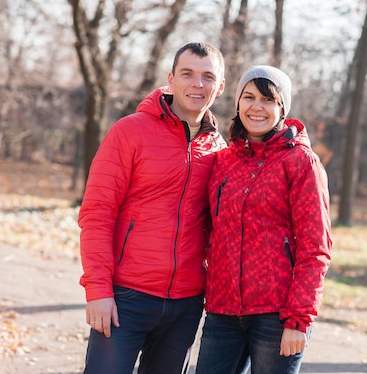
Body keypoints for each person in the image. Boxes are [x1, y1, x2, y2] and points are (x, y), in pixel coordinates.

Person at [78, 42, 227, 374]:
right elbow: (97, 214)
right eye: (187, 74)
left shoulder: (219, 150)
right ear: (171, 79)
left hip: (186, 305)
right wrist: (98, 290)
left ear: (219, 87)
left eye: (207, 77)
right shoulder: (130, 132)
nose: (197, 85)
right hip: (125, 297)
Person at [196, 65, 333, 374]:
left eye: (268, 99)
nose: (256, 107)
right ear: (237, 103)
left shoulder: (300, 162)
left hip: (277, 314)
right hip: (222, 309)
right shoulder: (223, 160)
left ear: (282, 108)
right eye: (248, 97)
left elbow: (316, 248)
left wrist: (299, 319)